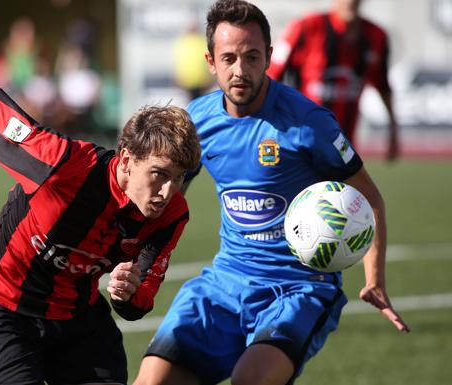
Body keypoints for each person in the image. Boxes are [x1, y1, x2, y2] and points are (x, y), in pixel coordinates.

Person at [0, 59, 201, 385]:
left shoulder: (171, 216)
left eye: (179, 178)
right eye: (159, 175)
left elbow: (141, 298)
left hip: (78, 319)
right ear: (127, 161)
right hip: (3, 306)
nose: (168, 191)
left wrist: (126, 294)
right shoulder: (64, 166)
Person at [133, 1, 409, 385]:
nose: (240, 70)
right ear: (210, 61)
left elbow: (370, 197)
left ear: (269, 58)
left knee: (251, 379)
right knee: (151, 381)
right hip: (225, 282)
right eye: (228, 58)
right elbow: (160, 200)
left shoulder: (309, 123)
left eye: (252, 56)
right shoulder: (197, 122)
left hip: (299, 289)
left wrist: (374, 278)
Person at [267, 0, 399, 160]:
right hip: (300, 139)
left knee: (351, 181)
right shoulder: (306, 27)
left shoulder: (376, 36)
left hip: (344, 145)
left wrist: (393, 130)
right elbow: (271, 75)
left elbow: (383, 85)